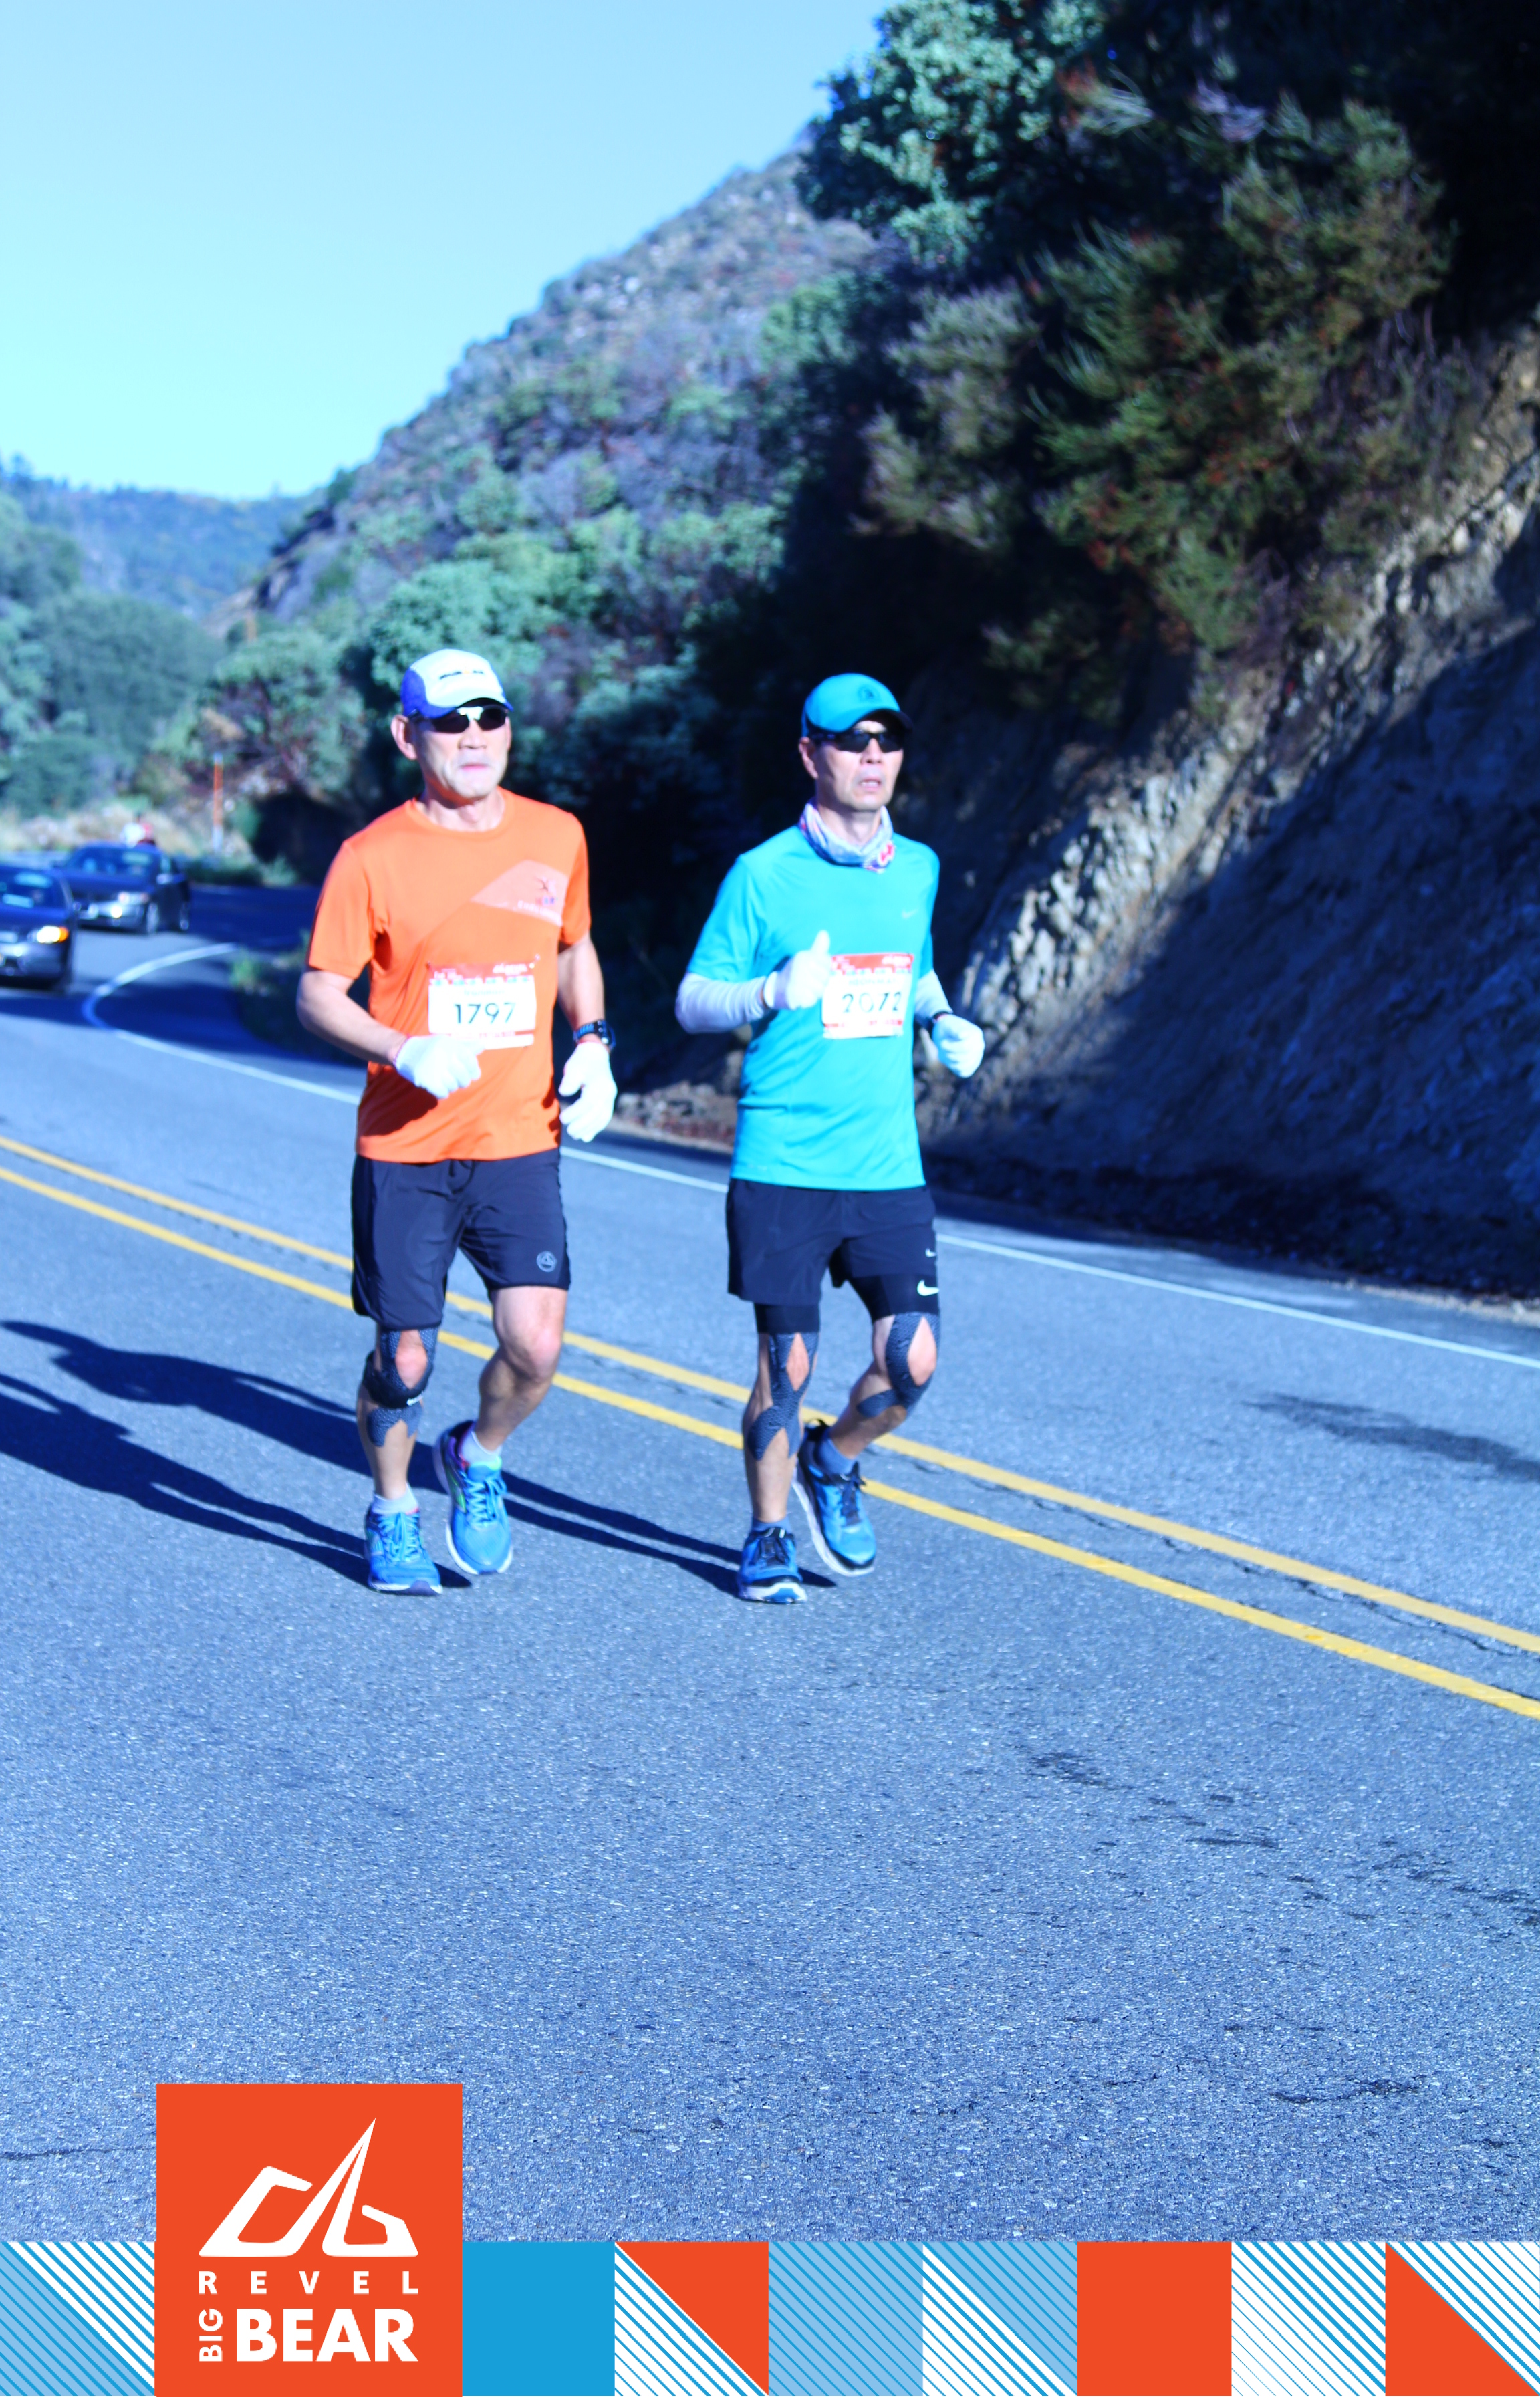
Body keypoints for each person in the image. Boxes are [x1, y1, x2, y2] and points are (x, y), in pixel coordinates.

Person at [297, 648, 617, 1593]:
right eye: (450, 721)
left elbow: (573, 946)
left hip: (520, 1137)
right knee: (404, 1358)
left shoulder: (556, 834)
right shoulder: (371, 857)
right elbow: (317, 995)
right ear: (409, 736)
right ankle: (393, 1506)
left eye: (490, 717)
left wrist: (593, 1039)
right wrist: (404, 1049)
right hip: (407, 1148)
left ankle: (478, 1454)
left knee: (537, 1345)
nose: (474, 737)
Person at [674, 672, 985, 1602]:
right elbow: (693, 999)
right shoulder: (762, 874)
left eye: (887, 740)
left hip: (887, 1162)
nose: (873, 756)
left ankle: (835, 1458)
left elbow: (915, 967)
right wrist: (769, 992)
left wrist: (940, 1017)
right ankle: (767, 1534)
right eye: (853, 741)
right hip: (786, 1162)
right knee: (789, 1364)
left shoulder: (918, 867)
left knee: (913, 1360)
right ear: (811, 753)